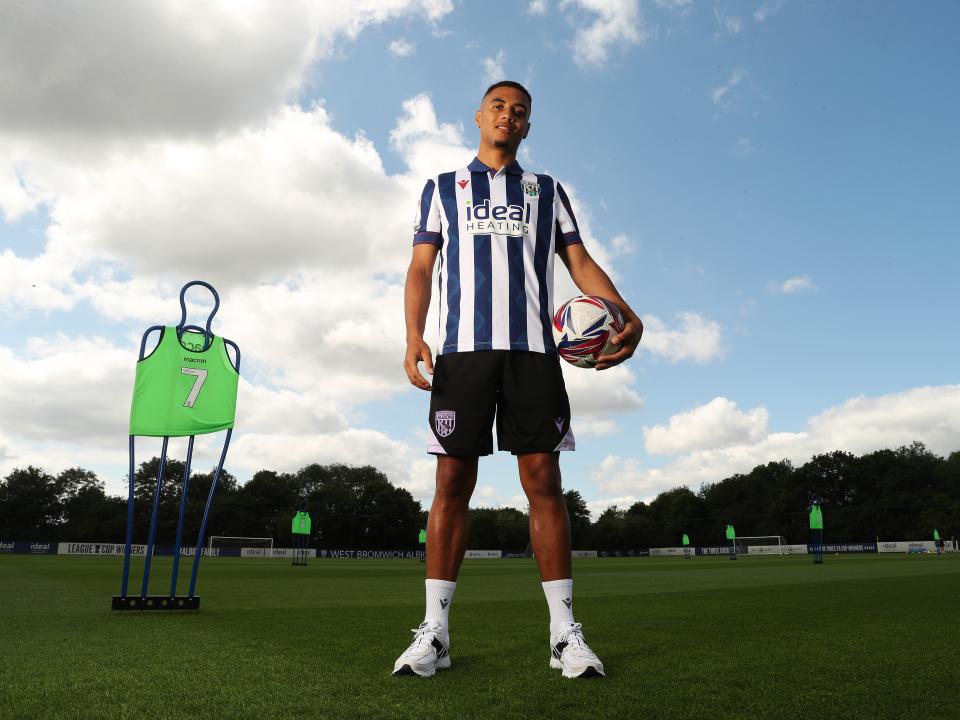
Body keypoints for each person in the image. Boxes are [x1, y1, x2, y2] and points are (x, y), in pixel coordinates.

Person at [394, 81, 642, 679]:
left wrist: (624, 311)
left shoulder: (547, 191)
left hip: (535, 353)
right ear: (479, 116)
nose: (509, 115)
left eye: (521, 111)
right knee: (452, 479)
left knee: (543, 480)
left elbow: (577, 261)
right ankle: (436, 633)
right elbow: (421, 265)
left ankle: (564, 634)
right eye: (499, 106)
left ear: (528, 127)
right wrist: (413, 335)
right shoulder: (442, 189)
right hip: (463, 353)